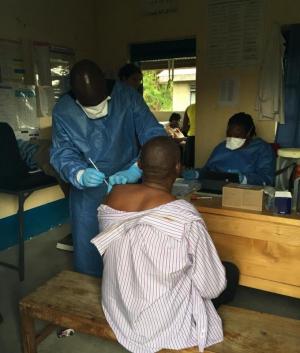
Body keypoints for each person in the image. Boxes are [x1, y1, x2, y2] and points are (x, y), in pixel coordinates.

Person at [91, 136, 239, 353]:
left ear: (139, 165)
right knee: (230, 273)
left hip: (118, 308)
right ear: (178, 168)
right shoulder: (184, 216)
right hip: (160, 323)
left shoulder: (111, 197)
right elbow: (212, 287)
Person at [50, 59, 166, 277]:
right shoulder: (63, 111)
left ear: (106, 86)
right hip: (87, 193)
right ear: (75, 96)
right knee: (89, 250)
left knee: (131, 252)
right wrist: (79, 173)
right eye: (88, 107)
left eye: (101, 103)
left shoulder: (128, 97)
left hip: (129, 185)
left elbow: (154, 136)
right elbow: (62, 152)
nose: (97, 111)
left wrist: (137, 167)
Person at [184, 112, 276, 186]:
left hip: (247, 193)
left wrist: (245, 179)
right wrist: (198, 173)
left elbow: (267, 179)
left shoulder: (262, 149)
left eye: (237, 136)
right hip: (218, 190)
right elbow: (208, 170)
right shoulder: (221, 148)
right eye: (229, 135)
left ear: (249, 133)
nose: (232, 138)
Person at [182, 103, 196, 167]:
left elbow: (185, 127)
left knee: (189, 163)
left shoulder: (189, 107)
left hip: (191, 137)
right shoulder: (207, 106)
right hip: (205, 137)